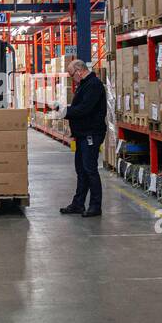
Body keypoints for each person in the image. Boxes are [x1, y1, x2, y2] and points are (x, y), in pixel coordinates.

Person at [59, 59, 107, 217]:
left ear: (79, 70)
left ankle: (95, 206)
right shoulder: (84, 85)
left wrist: (66, 111)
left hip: (91, 134)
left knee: (90, 169)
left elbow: (85, 109)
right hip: (82, 135)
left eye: (72, 74)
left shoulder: (94, 85)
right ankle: (78, 204)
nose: (72, 78)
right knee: (81, 170)